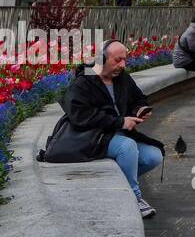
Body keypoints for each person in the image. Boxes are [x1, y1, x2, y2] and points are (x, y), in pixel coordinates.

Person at [64, 41, 166, 219]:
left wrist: (139, 110)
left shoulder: (122, 77)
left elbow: (139, 98)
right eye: (118, 60)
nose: (122, 65)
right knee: (127, 147)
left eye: (124, 60)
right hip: (94, 136)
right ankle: (135, 198)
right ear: (101, 59)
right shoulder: (83, 82)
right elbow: (80, 116)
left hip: (119, 133)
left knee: (153, 156)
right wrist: (119, 122)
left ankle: (120, 190)